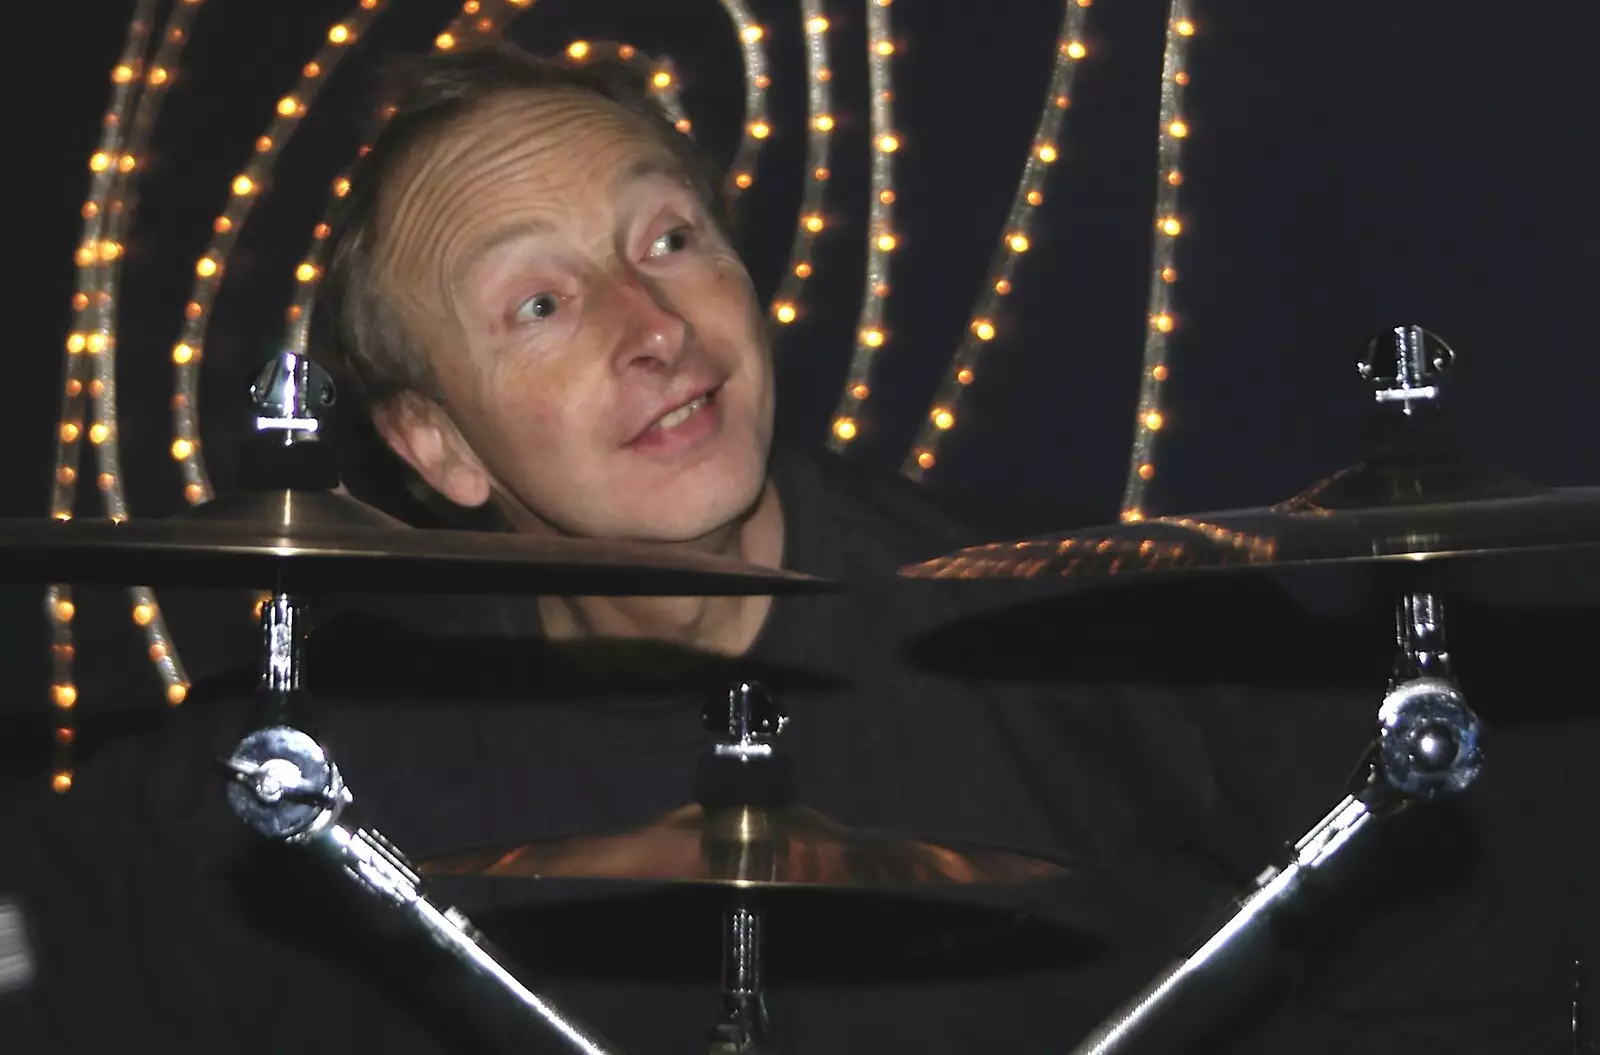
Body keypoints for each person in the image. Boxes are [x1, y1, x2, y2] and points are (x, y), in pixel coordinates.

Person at [0, 43, 1575, 1054]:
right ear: (434, 448)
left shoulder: (1088, 635)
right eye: (540, 301)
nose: (652, 324)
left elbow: (1492, 943)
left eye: (669, 238)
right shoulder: (328, 758)